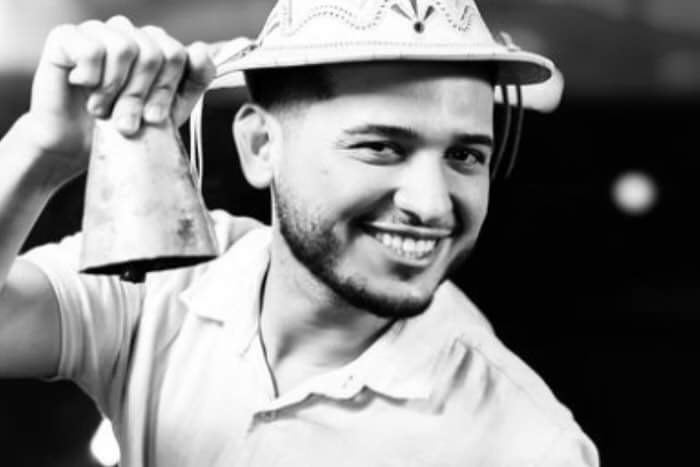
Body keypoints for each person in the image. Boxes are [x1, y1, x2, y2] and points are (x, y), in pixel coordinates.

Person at [0, 0, 598, 465]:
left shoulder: (524, 445)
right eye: (381, 147)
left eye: (464, 156)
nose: (431, 203)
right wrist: (40, 154)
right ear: (262, 145)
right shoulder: (164, 288)